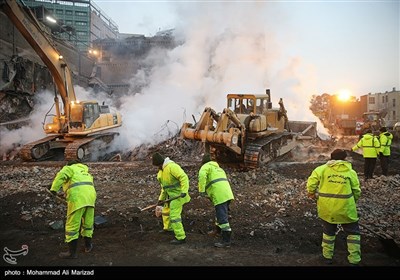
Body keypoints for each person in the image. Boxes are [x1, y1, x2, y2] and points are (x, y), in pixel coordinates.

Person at [306, 149, 361, 265]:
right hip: (346, 209)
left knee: (328, 233)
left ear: (331, 158)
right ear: (344, 159)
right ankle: (354, 259)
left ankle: (327, 257)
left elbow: (311, 183)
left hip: (327, 208)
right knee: (353, 233)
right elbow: (356, 191)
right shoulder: (350, 172)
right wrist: (352, 202)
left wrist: (311, 194)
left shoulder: (321, 170)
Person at [50, 160, 96, 259]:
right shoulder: (85, 171)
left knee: (72, 226)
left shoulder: (69, 168)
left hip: (77, 199)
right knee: (88, 223)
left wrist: (53, 190)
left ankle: (72, 253)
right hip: (90, 198)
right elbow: (80, 186)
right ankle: (88, 246)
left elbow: (61, 176)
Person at [152, 152, 191, 245]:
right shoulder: (160, 173)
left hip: (178, 195)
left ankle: (181, 237)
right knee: (165, 212)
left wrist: (184, 191)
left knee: (174, 216)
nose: (157, 167)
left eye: (158, 165)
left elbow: (184, 177)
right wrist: (161, 199)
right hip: (170, 196)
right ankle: (168, 228)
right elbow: (164, 188)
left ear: (160, 163)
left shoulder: (172, 167)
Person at [198, 154, 234, 248]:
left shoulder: (205, 167)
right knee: (220, 214)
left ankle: (226, 240)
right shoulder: (218, 169)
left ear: (203, 162)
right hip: (227, 194)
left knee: (222, 218)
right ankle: (217, 231)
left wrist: (201, 191)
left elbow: (202, 176)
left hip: (219, 195)